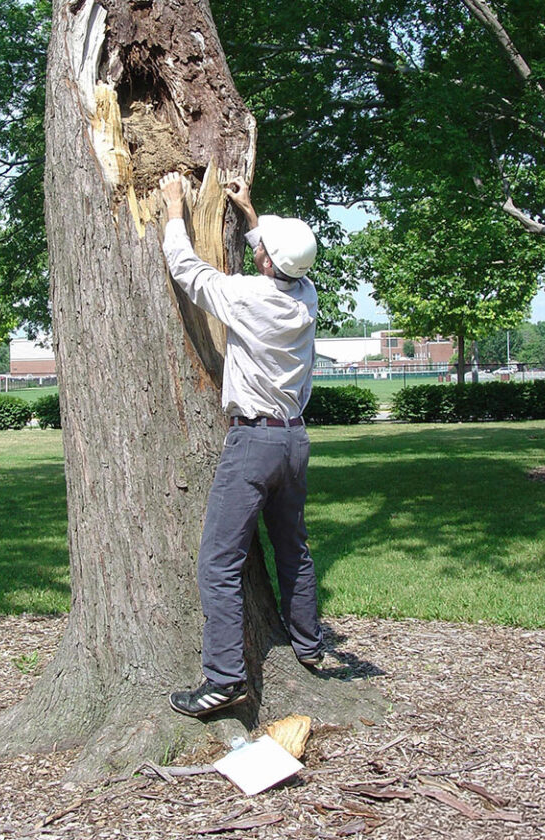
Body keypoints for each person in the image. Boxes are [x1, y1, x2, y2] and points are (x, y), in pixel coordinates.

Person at [159, 170, 327, 718]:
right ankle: (310, 646)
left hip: (253, 443)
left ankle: (225, 679)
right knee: (292, 549)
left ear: (267, 263)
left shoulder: (248, 297)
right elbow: (279, 260)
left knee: (218, 562)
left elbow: (188, 271)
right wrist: (252, 217)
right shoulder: (306, 297)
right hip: (295, 441)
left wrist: (175, 211)